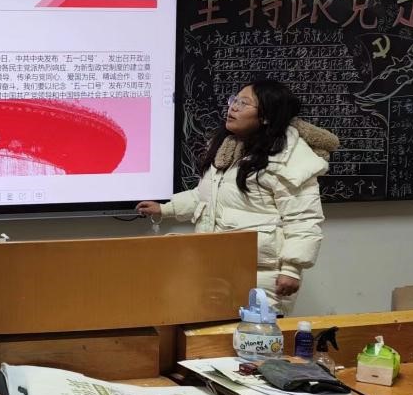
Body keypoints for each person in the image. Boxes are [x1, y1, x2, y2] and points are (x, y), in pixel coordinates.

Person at [137, 79, 339, 314]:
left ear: (266, 116)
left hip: (262, 277)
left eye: (244, 103)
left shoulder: (290, 159)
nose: (233, 107)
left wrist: (291, 269)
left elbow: (303, 219)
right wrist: (165, 209)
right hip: (217, 269)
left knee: (253, 335)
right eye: (234, 100)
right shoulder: (229, 148)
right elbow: (206, 196)